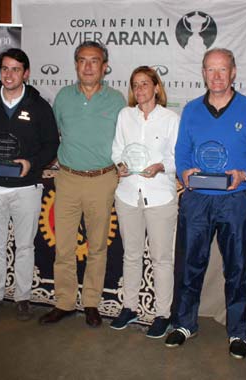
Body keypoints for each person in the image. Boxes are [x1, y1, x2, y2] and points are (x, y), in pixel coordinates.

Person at [166, 48, 246, 359]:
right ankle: (184, 323)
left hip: (235, 200)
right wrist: (185, 172)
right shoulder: (192, 110)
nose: (216, 76)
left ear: (234, 72)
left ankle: (238, 330)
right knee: (189, 265)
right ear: (203, 73)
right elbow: (181, 151)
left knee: (236, 267)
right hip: (197, 200)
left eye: (222, 69)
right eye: (210, 70)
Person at [38, 41, 126, 327]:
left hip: (102, 180)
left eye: (94, 61)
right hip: (67, 180)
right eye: (82, 60)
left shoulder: (117, 100)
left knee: (97, 247)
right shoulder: (63, 97)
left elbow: (126, 141)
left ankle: (91, 302)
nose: (88, 66)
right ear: (76, 65)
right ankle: (63, 303)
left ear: (105, 67)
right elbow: (52, 137)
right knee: (63, 247)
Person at [0, 48, 59, 321]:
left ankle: (22, 297)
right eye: (5, 69)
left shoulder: (39, 106)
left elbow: (51, 144)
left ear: (26, 73)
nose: (9, 74)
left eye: (15, 69)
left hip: (26, 188)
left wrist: (33, 163)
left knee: (25, 246)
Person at [109, 66, 180, 338]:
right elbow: (117, 149)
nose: (139, 90)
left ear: (156, 88)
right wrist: (121, 164)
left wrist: (161, 166)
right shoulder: (125, 116)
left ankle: (163, 313)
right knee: (131, 254)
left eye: (144, 84)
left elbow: (177, 158)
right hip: (128, 194)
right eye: (135, 85)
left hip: (160, 195)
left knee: (161, 258)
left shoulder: (171, 119)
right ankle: (130, 307)